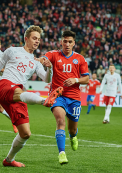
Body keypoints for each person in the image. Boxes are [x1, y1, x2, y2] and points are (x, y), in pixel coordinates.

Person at [0, 25, 63, 167]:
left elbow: (46, 79)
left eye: (39, 39)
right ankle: (45, 100)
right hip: (4, 85)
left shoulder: (36, 62)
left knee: (25, 133)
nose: (37, 41)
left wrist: (50, 67)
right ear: (26, 39)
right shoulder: (12, 51)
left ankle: (9, 160)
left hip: (18, 94)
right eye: (34, 38)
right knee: (19, 92)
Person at [41, 30, 89, 165]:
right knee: (60, 121)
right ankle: (61, 153)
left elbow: (86, 79)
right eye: (65, 41)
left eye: (70, 42)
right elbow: (45, 57)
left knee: (72, 129)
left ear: (74, 43)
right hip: (58, 96)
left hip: (74, 98)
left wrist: (75, 80)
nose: (67, 44)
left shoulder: (80, 59)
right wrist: (43, 61)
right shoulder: (54, 54)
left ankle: (73, 136)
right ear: (61, 42)